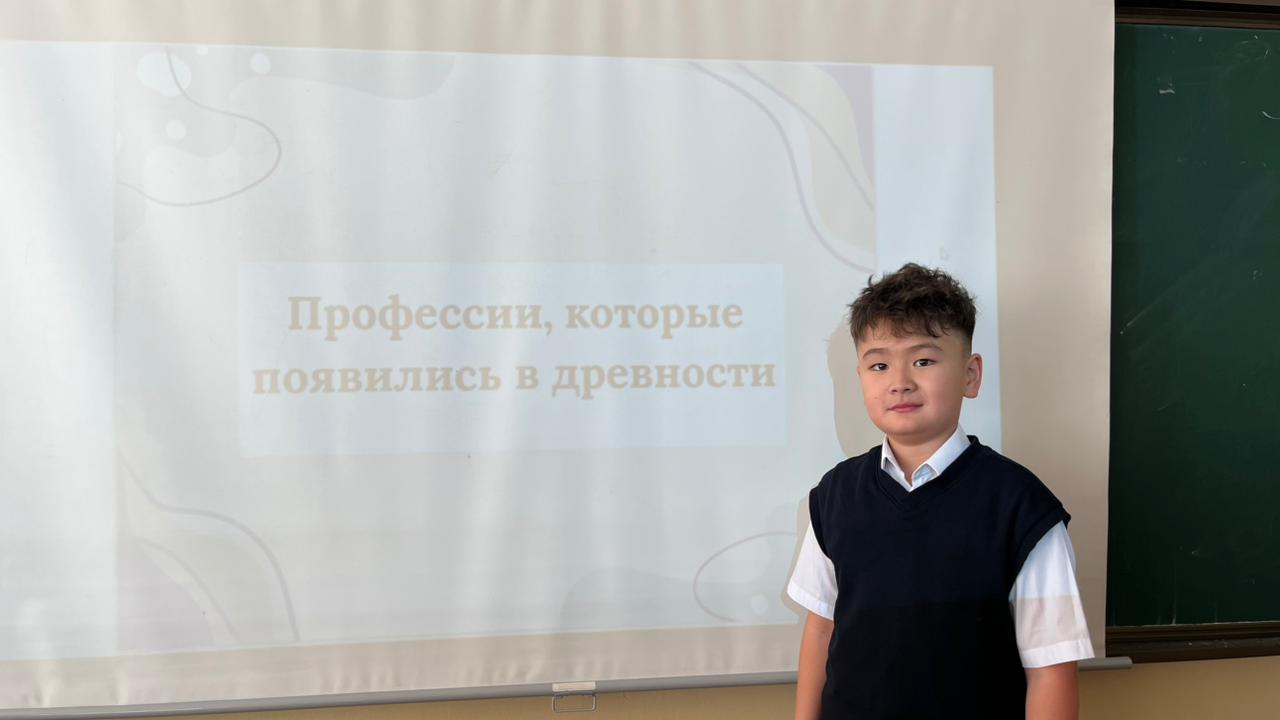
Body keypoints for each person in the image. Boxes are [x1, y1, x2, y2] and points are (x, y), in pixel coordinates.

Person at [788, 263, 1092, 719]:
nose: (900, 381)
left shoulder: (1022, 507)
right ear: (860, 377)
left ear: (970, 375)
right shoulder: (835, 495)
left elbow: (1052, 668)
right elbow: (820, 629)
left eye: (923, 361)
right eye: (879, 365)